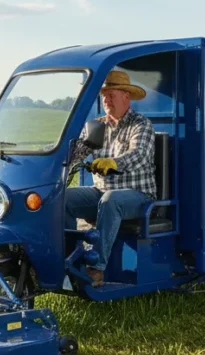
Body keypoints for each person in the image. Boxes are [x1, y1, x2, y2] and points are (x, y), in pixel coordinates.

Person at [65, 70, 156, 287]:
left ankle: (96, 267)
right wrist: (61, 156)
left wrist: (114, 163)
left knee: (110, 200)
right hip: (101, 192)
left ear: (126, 96)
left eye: (111, 95)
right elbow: (77, 152)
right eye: (104, 96)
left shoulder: (140, 124)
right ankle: (69, 259)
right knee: (63, 198)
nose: (106, 100)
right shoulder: (97, 126)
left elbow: (139, 154)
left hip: (138, 196)